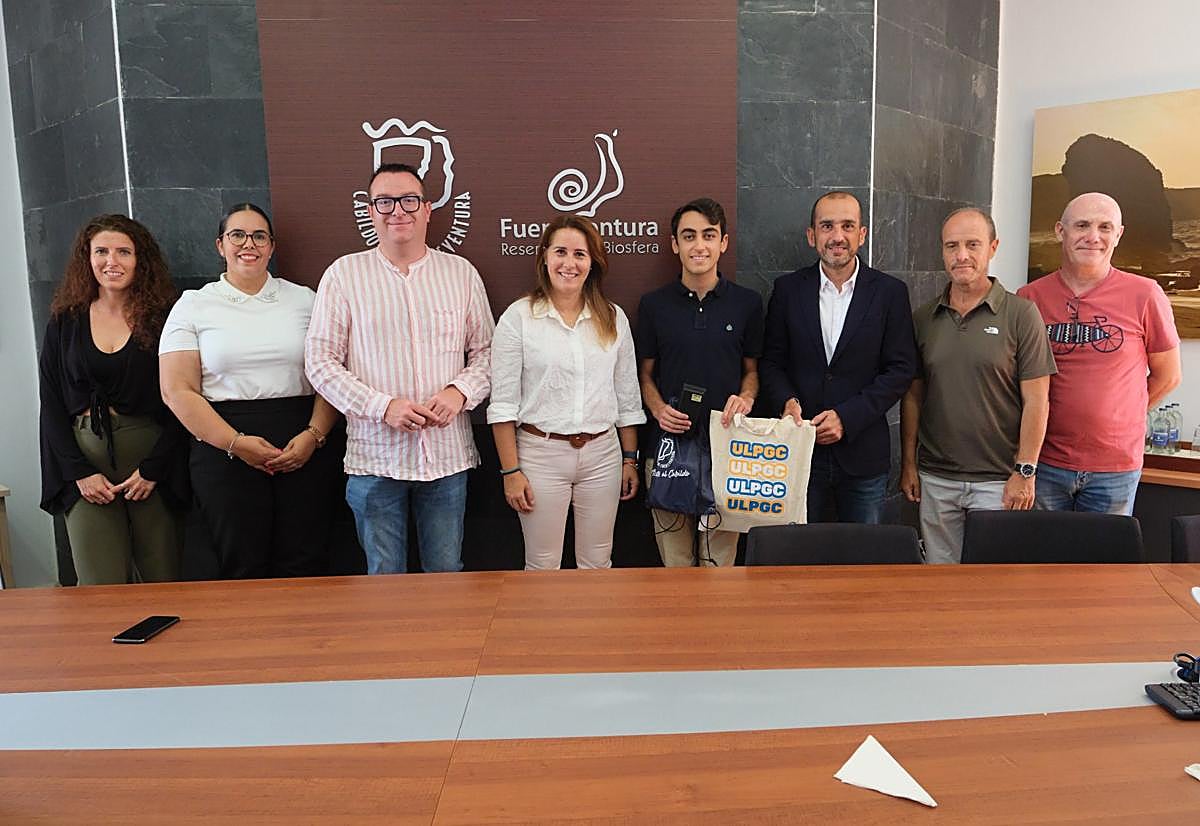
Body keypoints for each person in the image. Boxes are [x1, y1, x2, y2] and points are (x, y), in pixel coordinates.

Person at [306, 162, 494, 574]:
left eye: (409, 200)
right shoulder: (344, 275)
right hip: (375, 459)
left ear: (427, 210)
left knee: (446, 574)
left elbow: (487, 352)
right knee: (384, 580)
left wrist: (459, 392)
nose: (398, 211)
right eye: (385, 202)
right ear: (370, 210)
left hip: (446, 458)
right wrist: (383, 407)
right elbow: (320, 363)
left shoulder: (460, 274)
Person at [160, 204, 343, 578]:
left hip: (303, 444)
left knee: (307, 561)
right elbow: (177, 389)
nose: (249, 244)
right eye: (238, 235)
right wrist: (237, 443)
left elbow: (333, 373)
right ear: (220, 245)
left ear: (272, 246)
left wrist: (314, 436)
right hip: (224, 449)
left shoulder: (306, 299)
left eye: (259, 236)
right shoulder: (193, 304)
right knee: (240, 565)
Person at [900, 208, 1056, 563]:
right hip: (937, 479)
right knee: (941, 581)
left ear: (993, 247)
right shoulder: (924, 318)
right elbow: (913, 397)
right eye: (951, 246)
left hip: (999, 481)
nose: (961, 256)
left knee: (996, 583)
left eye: (973, 244)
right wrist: (908, 464)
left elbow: (1038, 401)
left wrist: (1025, 471)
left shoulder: (1021, 315)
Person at [488, 216, 644, 569]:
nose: (569, 263)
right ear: (545, 256)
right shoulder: (519, 317)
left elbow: (627, 397)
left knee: (598, 563)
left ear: (593, 262)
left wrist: (629, 459)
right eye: (560, 252)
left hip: (603, 456)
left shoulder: (613, 318)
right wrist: (510, 472)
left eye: (580, 254)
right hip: (539, 456)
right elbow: (502, 405)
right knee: (542, 566)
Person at [38, 214, 186, 585]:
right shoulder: (65, 321)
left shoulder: (167, 318)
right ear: (87, 259)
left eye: (123, 252)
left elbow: (184, 395)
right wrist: (78, 473)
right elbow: (51, 403)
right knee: (99, 587)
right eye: (101, 251)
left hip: (152, 466)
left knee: (163, 581)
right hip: (85, 467)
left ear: (140, 260)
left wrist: (154, 469)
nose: (111, 261)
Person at [1017, 192, 1181, 514]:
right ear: (1060, 231)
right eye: (1082, 225)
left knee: (1105, 549)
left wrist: (1123, 416)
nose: (1093, 237)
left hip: (1115, 468)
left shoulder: (1146, 294)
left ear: (1118, 235)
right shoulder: (1029, 298)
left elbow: (1169, 375)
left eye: (1105, 227)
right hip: (1044, 463)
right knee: (1040, 547)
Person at [759, 190, 917, 524]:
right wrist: (787, 401)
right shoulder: (787, 290)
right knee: (799, 550)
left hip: (864, 456)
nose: (837, 236)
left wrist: (847, 417)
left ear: (862, 234)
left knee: (863, 553)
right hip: (800, 452)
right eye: (827, 226)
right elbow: (771, 361)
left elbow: (901, 369)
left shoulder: (890, 293)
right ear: (811, 235)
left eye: (848, 226)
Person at [635, 198, 764, 566]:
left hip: (728, 448)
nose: (699, 245)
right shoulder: (653, 305)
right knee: (675, 564)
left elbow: (752, 371)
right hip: (669, 450)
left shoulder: (747, 303)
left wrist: (746, 398)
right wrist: (658, 409)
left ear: (723, 242)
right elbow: (644, 374)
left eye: (709, 235)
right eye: (689, 236)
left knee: (719, 566)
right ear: (675, 244)